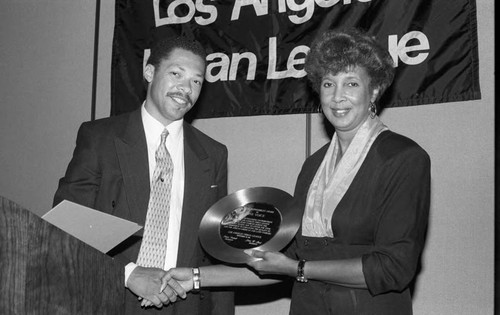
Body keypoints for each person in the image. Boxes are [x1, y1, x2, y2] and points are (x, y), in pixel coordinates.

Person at [160, 27, 431, 315]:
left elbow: (394, 268)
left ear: (374, 89)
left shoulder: (403, 158)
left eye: (351, 84)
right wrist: (195, 277)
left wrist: (299, 269)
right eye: (328, 84)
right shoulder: (314, 166)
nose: (337, 97)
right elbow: (280, 260)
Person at [53, 35, 234, 314]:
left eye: (196, 81)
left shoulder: (213, 154)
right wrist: (128, 274)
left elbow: (215, 250)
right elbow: (67, 225)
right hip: (109, 296)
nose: (186, 88)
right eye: (176, 74)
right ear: (149, 72)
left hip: (183, 305)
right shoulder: (100, 138)